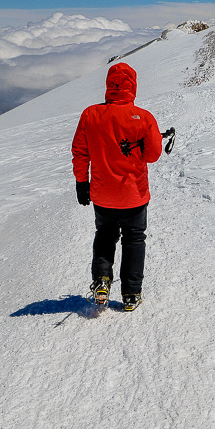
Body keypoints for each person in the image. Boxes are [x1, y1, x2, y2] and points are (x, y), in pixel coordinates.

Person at [71, 62, 164, 312]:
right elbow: (153, 155)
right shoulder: (143, 118)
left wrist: (82, 182)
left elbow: (80, 152)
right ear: (132, 86)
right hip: (134, 194)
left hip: (102, 194)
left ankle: (101, 280)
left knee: (105, 235)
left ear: (108, 86)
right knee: (134, 240)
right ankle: (131, 294)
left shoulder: (90, 115)